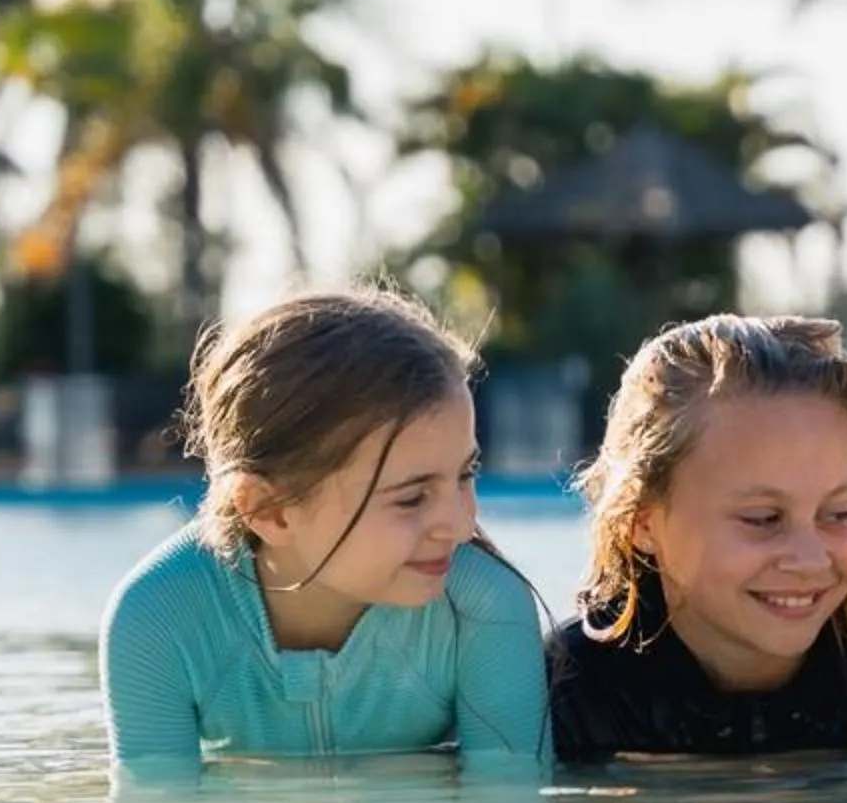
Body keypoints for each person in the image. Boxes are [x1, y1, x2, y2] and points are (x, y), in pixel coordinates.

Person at [100, 286, 547, 773]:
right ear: (270, 510)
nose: (462, 526)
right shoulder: (159, 620)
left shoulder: (482, 604)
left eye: (465, 474)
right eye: (412, 497)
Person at [549, 314, 847, 761]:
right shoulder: (563, 697)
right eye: (764, 518)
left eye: (838, 513)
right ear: (642, 523)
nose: (809, 560)